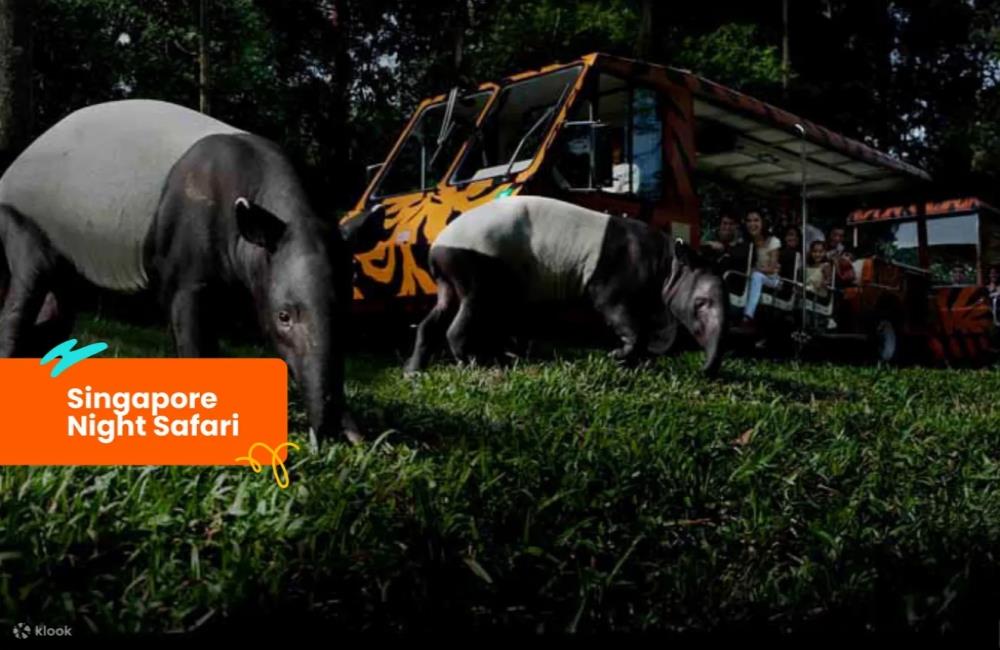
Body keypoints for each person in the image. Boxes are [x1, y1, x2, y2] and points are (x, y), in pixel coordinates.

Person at [742, 209, 782, 324]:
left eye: (756, 220)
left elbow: (772, 269)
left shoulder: (773, 241)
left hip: (772, 278)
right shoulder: (748, 242)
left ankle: (748, 314)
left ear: (763, 223)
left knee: (756, 276)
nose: (752, 224)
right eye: (749, 221)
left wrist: (755, 270)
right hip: (752, 276)